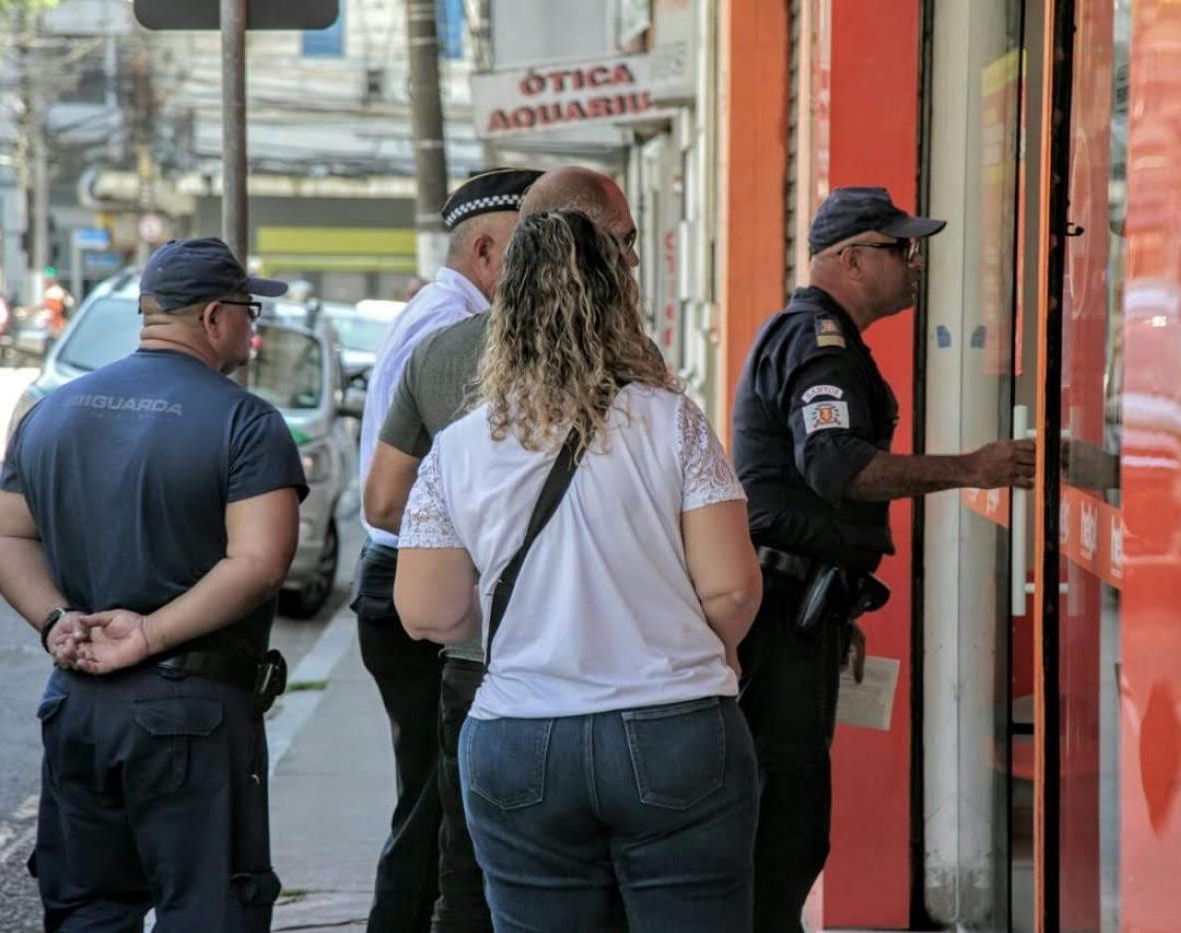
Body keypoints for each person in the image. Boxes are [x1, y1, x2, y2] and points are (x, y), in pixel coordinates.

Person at [394, 209, 762, 932]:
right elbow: (733, 585)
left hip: (519, 740)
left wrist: (517, 621)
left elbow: (427, 612)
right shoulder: (671, 421)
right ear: (618, 301)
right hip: (676, 730)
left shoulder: (461, 446)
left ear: (508, 305)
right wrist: (690, 642)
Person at [0, 237, 308, 931]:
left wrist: (55, 618)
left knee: (90, 910)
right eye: (250, 310)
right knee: (208, 908)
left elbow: (1, 531)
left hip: (77, 702)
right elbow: (259, 562)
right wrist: (148, 634)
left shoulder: (53, 409)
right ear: (215, 316)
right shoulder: (247, 422)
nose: (257, 326)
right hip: (193, 716)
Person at [730, 186, 1037, 930]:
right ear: (850, 259)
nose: (914, 262)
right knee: (786, 822)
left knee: (789, 820)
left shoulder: (821, 337)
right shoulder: (817, 342)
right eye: (899, 247)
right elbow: (836, 466)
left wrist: (837, 595)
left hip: (799, 604)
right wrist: (972, 467)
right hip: (779, 615)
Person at [363, 166, 641, 932]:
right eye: (626, 245)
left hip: (480, 662)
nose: (635, 264)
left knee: (468, 867)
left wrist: (471, 523)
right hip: (618, 673)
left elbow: (383, 502)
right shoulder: (637, 371)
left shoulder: (443, 351)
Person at [352, 167, 544, 933]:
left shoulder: (442, 310)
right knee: (439, 807)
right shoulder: (454, 331)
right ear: (491, 250)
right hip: (422, 584)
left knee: (435, 798)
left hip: (408, 577)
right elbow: (395, 497)